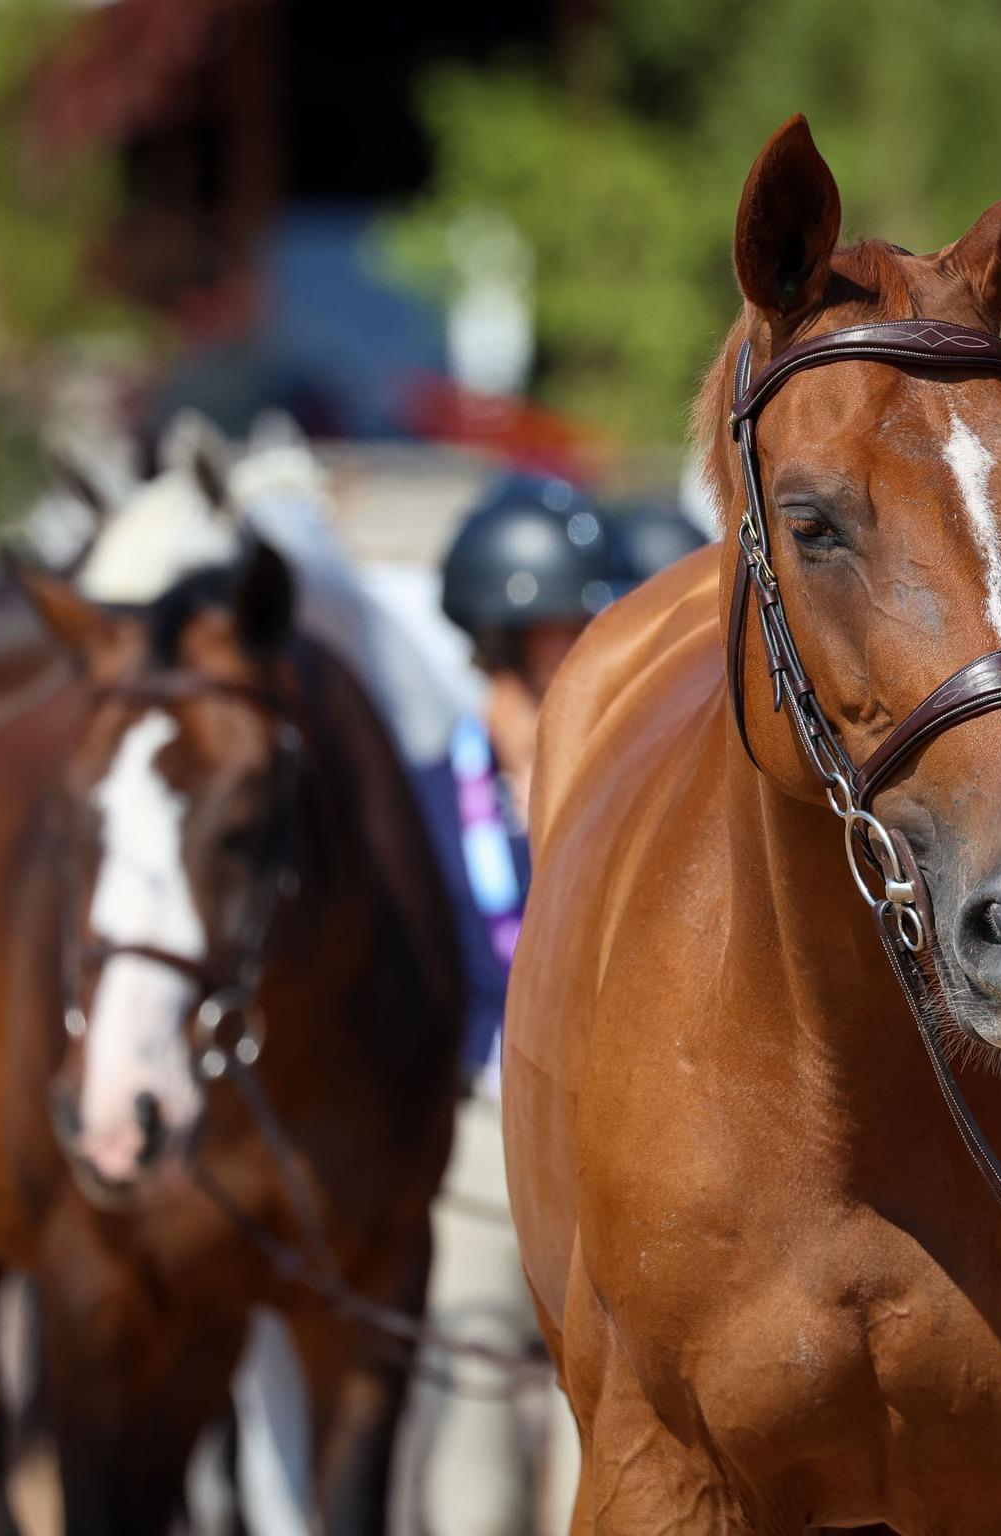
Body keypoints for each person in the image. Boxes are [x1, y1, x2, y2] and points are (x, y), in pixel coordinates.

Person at [401, 472, 617, 1536]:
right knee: (473, 1430)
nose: (579, 660)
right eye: (552, 643)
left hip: (618, 1134)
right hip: (482, 1140)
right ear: (495, 647)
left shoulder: (628, 791)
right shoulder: (424, 799)